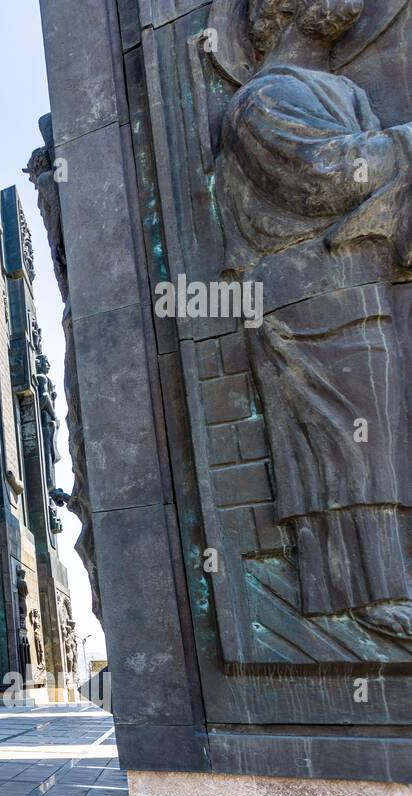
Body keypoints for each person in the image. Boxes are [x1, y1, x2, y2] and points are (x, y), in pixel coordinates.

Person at [216, 0, 412, 640]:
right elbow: (323, 175)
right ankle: (360, 596)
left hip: (359, 282)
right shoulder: (261, 100)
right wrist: (404, 144)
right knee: (340, 444)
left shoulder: (348, 92)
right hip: (303, 299)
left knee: (377, 437)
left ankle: (377, 589)